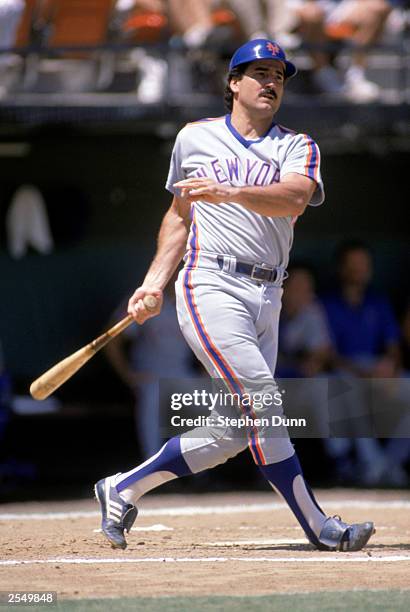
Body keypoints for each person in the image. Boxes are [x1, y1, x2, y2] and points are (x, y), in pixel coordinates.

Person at [95, 38, 375, 552]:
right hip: (211, 283)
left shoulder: (298, 145)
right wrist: (154, 283)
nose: (271, 82)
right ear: (233, 82)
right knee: (265, 404)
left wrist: (233, 192)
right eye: (259, 72)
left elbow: (293, 196)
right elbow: (180, 217)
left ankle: (122, 487)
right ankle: (319, 528)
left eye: (279, 76)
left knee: (233, 431)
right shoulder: (195, 138)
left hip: (269, 294)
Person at [321, 240, 403, 485]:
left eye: (364, 264)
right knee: (346, 385)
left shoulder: (378, 301)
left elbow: (393, 348)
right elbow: (327, 356)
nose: (359, 270)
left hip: (379, 370)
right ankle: (371, 461)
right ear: (341, 268)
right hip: (345, 372)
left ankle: (388, 464)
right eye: (353, 264)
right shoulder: (326, 304)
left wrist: (390, 369)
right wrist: (362, 373)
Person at [104, 278, 202, 459]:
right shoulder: (145, 300)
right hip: (150, 372)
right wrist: (127, 375)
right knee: (153, 397)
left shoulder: (195, 303)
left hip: (181, 371)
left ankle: (199, 474)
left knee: (201, 394)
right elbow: (111, 341)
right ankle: (152, 467)